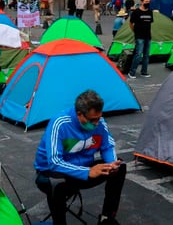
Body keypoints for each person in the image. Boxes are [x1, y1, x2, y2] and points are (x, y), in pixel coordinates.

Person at [34, 90, 126, 225]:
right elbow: (54, 162)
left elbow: (107, 146)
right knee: (56, 184)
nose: (96, 124)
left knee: (120, 167)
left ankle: (107, 218)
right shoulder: (59, 123)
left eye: (99, 118)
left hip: (83, 168)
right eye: (92, 120)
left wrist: (111, 164)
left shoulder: (100, 123)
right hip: (51, 172)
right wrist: (88, 172)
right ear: (79, 114)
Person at [128, 0, 153, 79]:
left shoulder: (150, 12)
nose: (147, 3)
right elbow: (131, 23)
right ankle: (132, 72)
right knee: (138, 55)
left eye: (148, 1)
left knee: (146, 55)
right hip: (139, 36)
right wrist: (135, 31)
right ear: (142, 2)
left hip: (148, 36)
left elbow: (150, 23)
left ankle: (144, 71)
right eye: (146, 1)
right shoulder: (136, 12)